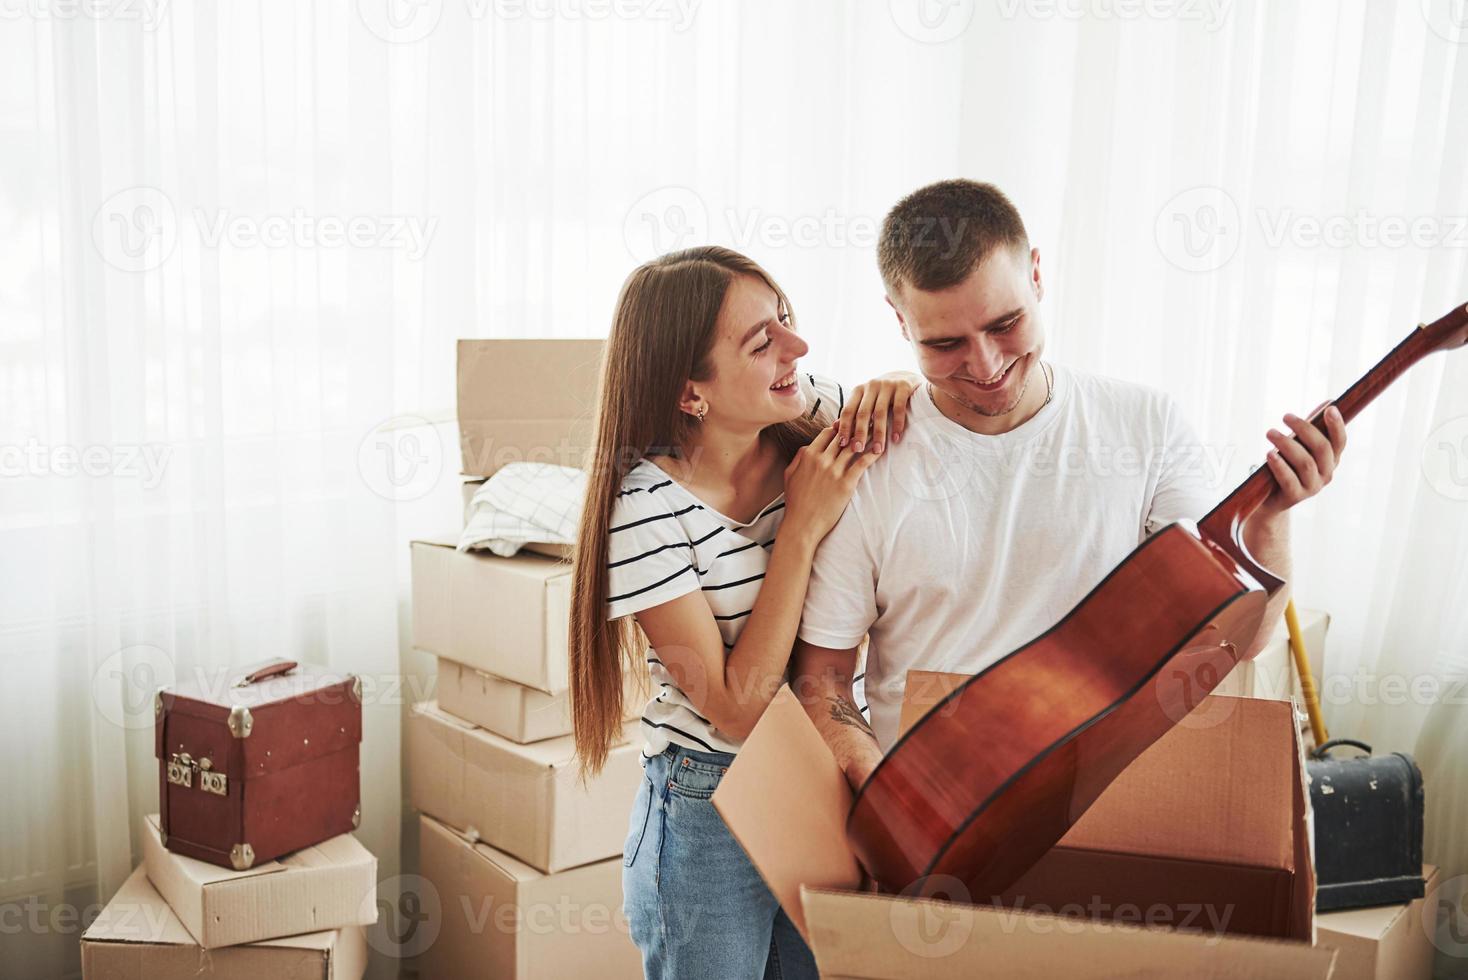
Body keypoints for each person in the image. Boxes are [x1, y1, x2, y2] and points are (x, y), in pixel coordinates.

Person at [791, 178, 1349, 787]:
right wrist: (883, 798)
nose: (986, 366)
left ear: (1037, 276)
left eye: (1005, 324)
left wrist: (1272, 517)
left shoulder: (1146, 425)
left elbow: (1236, 646)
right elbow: (821, 681)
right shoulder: (867, 460)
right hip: (934, 816)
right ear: (900, 321)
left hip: (1114, 801)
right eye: (945, 343)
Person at [569, 245, 919, 979]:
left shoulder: (806, 406)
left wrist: (898, 382)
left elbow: (915, 420)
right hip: (708, 798)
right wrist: (799, 529)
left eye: (786, 320)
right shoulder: (646, 511)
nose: (798, 348)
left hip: (815, 779)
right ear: (690, 392)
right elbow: (736, 707)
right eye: (763, 342)